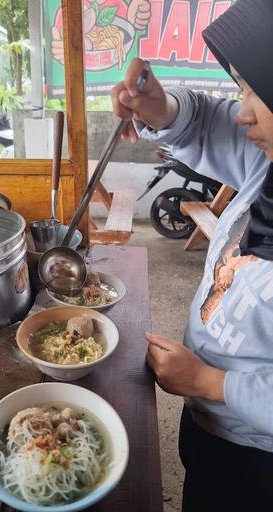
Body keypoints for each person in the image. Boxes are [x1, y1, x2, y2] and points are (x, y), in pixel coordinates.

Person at [111, 1, 273, 511]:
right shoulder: (266, 162)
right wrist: (158, 107)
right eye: (243, 87)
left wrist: (210, 381)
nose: (244, 109)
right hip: (210, 419)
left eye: (258, 91)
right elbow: (208, 118)